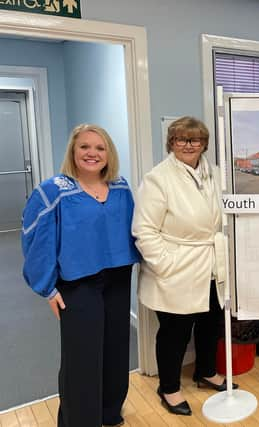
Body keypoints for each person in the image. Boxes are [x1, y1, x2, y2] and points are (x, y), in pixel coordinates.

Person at [21, 124, 139, 427]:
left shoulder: (121, 187)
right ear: (73, 151)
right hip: (77, 283)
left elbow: (135, 231)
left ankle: (110, 412)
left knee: (115, 349)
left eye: (99, 148)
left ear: (108, 153)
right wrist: (47, 288)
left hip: (117, 277)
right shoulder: (53, 191)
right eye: (84, 146)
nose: (92, 153)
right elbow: (36, 240)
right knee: (81, 358)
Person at [132, 116, 236, 417]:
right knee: (174, 333)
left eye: (195, 140)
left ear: (204, 143)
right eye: (181, 139)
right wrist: (167, 264)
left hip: (212, 264)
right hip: (176, 268)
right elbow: (144, 230)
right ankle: (168, 387)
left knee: (210, 323)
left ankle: (205, 371)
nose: (188, 145)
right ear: (171, 143)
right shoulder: (158, 179)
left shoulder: (216, 174)